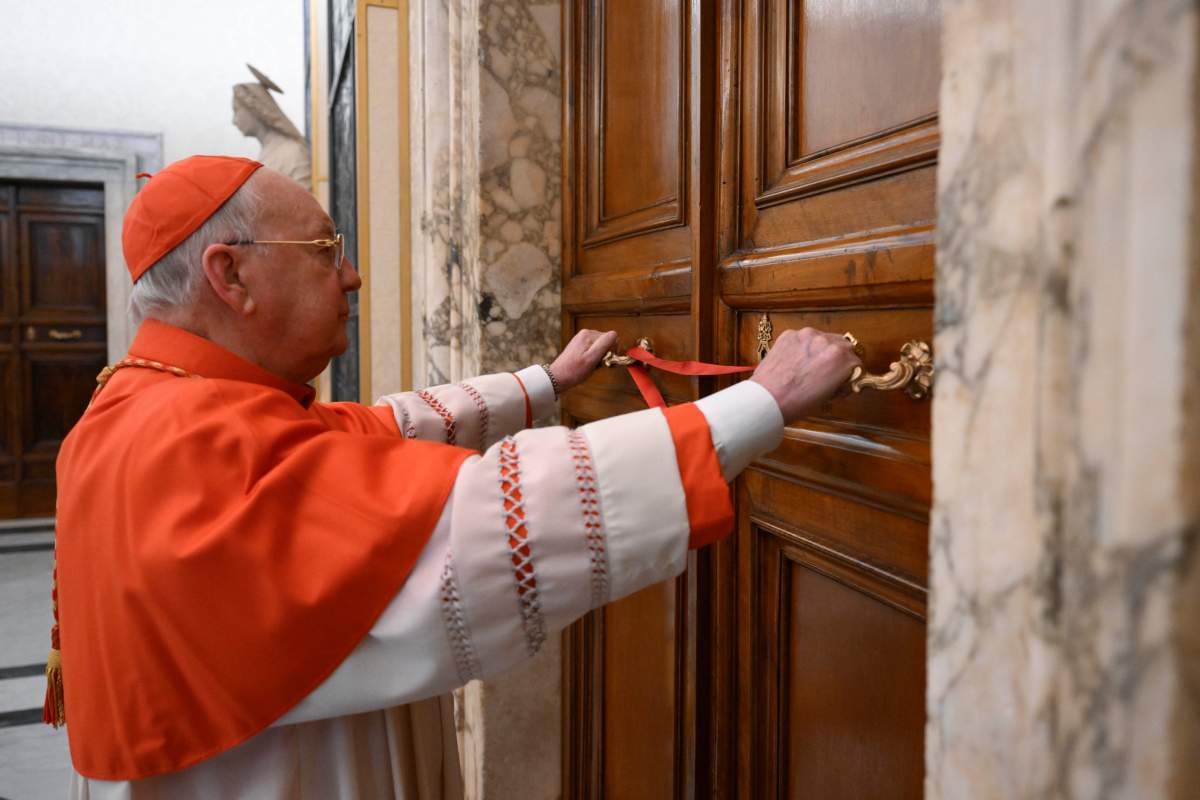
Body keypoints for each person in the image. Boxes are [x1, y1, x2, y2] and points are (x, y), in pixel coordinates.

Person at [50, 155, 861, 798]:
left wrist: (544, 382)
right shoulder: (185, 439)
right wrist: (758, 405)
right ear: (230, 277)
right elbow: (466, 525)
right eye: (327, 250)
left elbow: (371, 431)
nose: (352, 275)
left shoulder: (160, 402)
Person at [233, 73, 311, 189]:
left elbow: (306, 202)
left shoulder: (293, 152)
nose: (234, 120)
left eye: (236, 110)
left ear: (254, 109)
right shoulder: (267, 152)